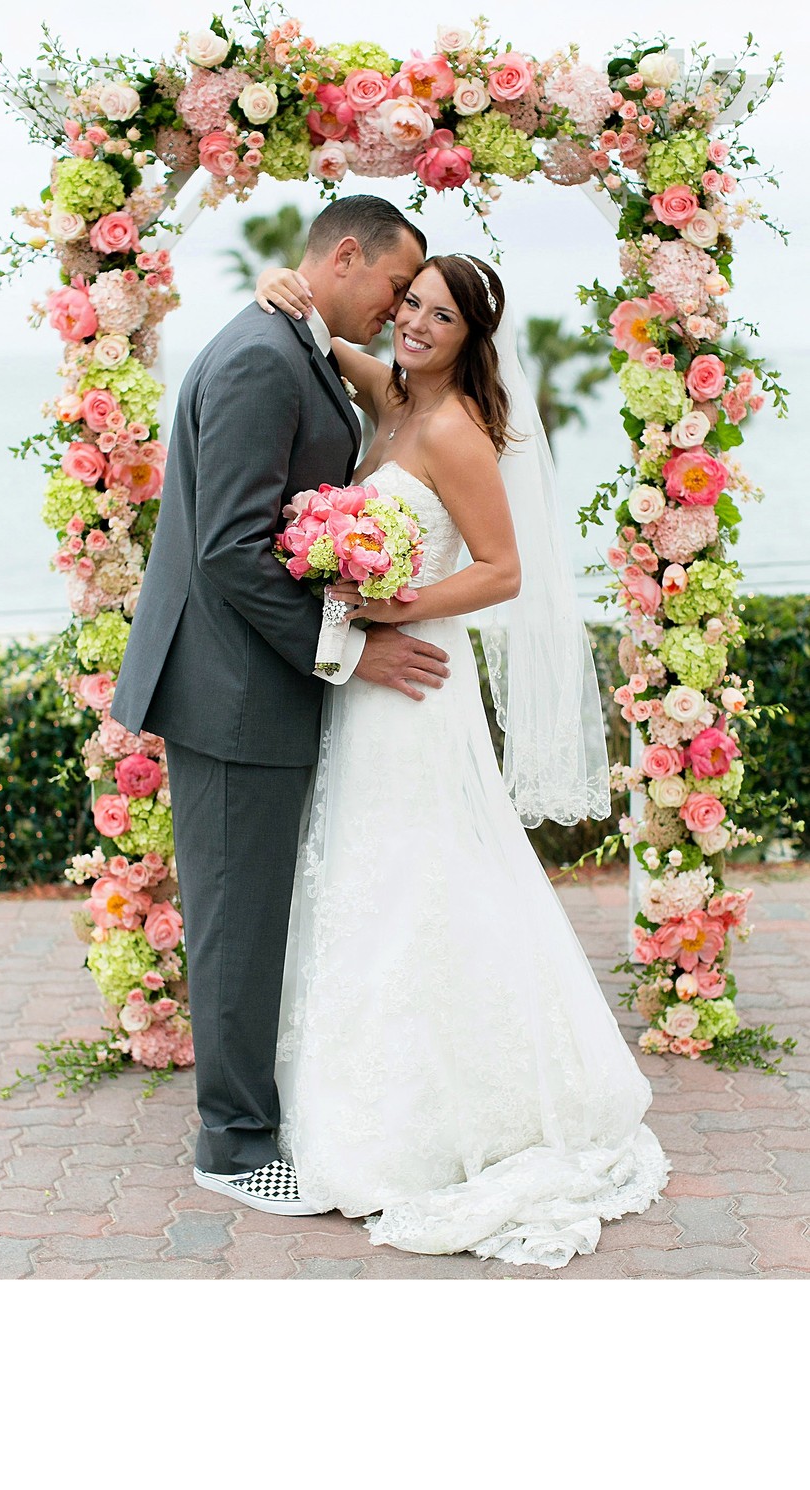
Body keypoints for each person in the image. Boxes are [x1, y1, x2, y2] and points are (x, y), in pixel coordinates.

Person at [249, 250, 670, 1268]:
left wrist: (401, 602)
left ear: (473, 339)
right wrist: (279, 285)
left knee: (421, 868)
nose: (416, 324)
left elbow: (503, 569)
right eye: (411, 304)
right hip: (370, 688)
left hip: (419, 682)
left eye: (439, 315)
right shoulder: (389, 391)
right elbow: (325, 332)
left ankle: (444, 1102)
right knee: (367, 867)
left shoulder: (450, 429)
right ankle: (370, 1074)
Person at [111, 197, 443, 1217]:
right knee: (236, 923)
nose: (395, 309)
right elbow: (229, 549)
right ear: (346, 255)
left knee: (253, 915)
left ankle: (256, 1109)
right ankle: (234, 1142)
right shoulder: (262, 354)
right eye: (394, 285)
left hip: (249, 686)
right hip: (231, 693)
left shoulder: (292, 338)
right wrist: (345, 646)